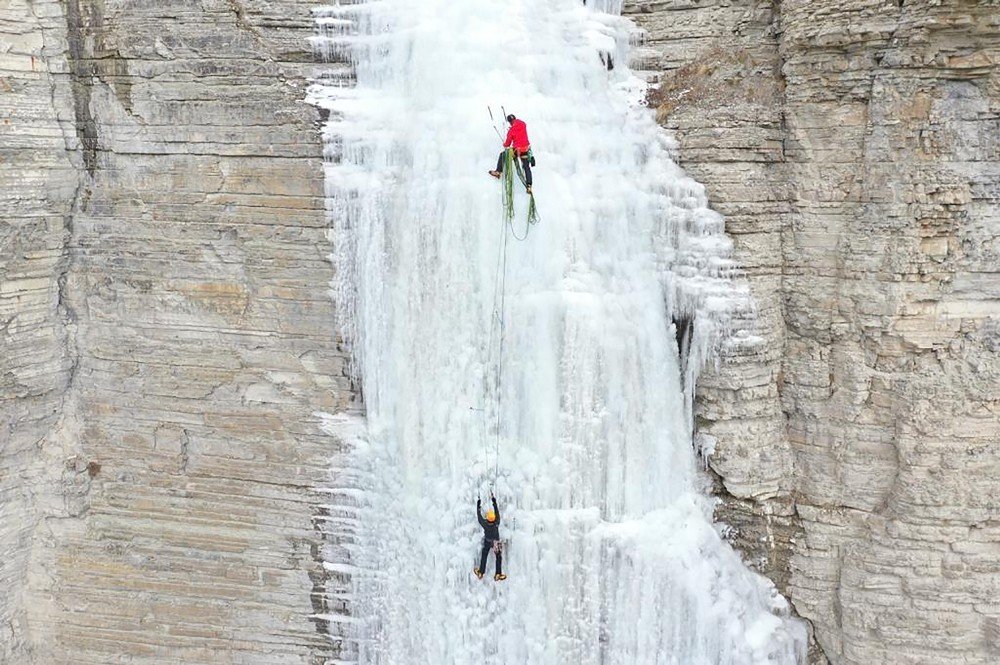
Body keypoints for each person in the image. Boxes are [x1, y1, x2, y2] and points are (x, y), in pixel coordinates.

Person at [489, 114, 533, 194]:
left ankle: (498, 172)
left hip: (517, 150)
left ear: (509, 122)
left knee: (502, 155)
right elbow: (520, 128)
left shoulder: (511, 130)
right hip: (526, 149)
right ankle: (529, 185)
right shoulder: (523, 124)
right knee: (527, 167)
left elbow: (507, 144)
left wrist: (505, 143)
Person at [474, 493, 506, 581]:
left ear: (487, 518)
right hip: (496, 541)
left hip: (488, 541)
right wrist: (493, 500)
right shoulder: (497, 522)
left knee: (484, 555)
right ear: (494, 518)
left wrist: (478, 506)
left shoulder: (485, 524)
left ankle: (481, 572)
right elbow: (497, 511)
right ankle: (498, 574)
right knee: (498, 557)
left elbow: (479, 517)